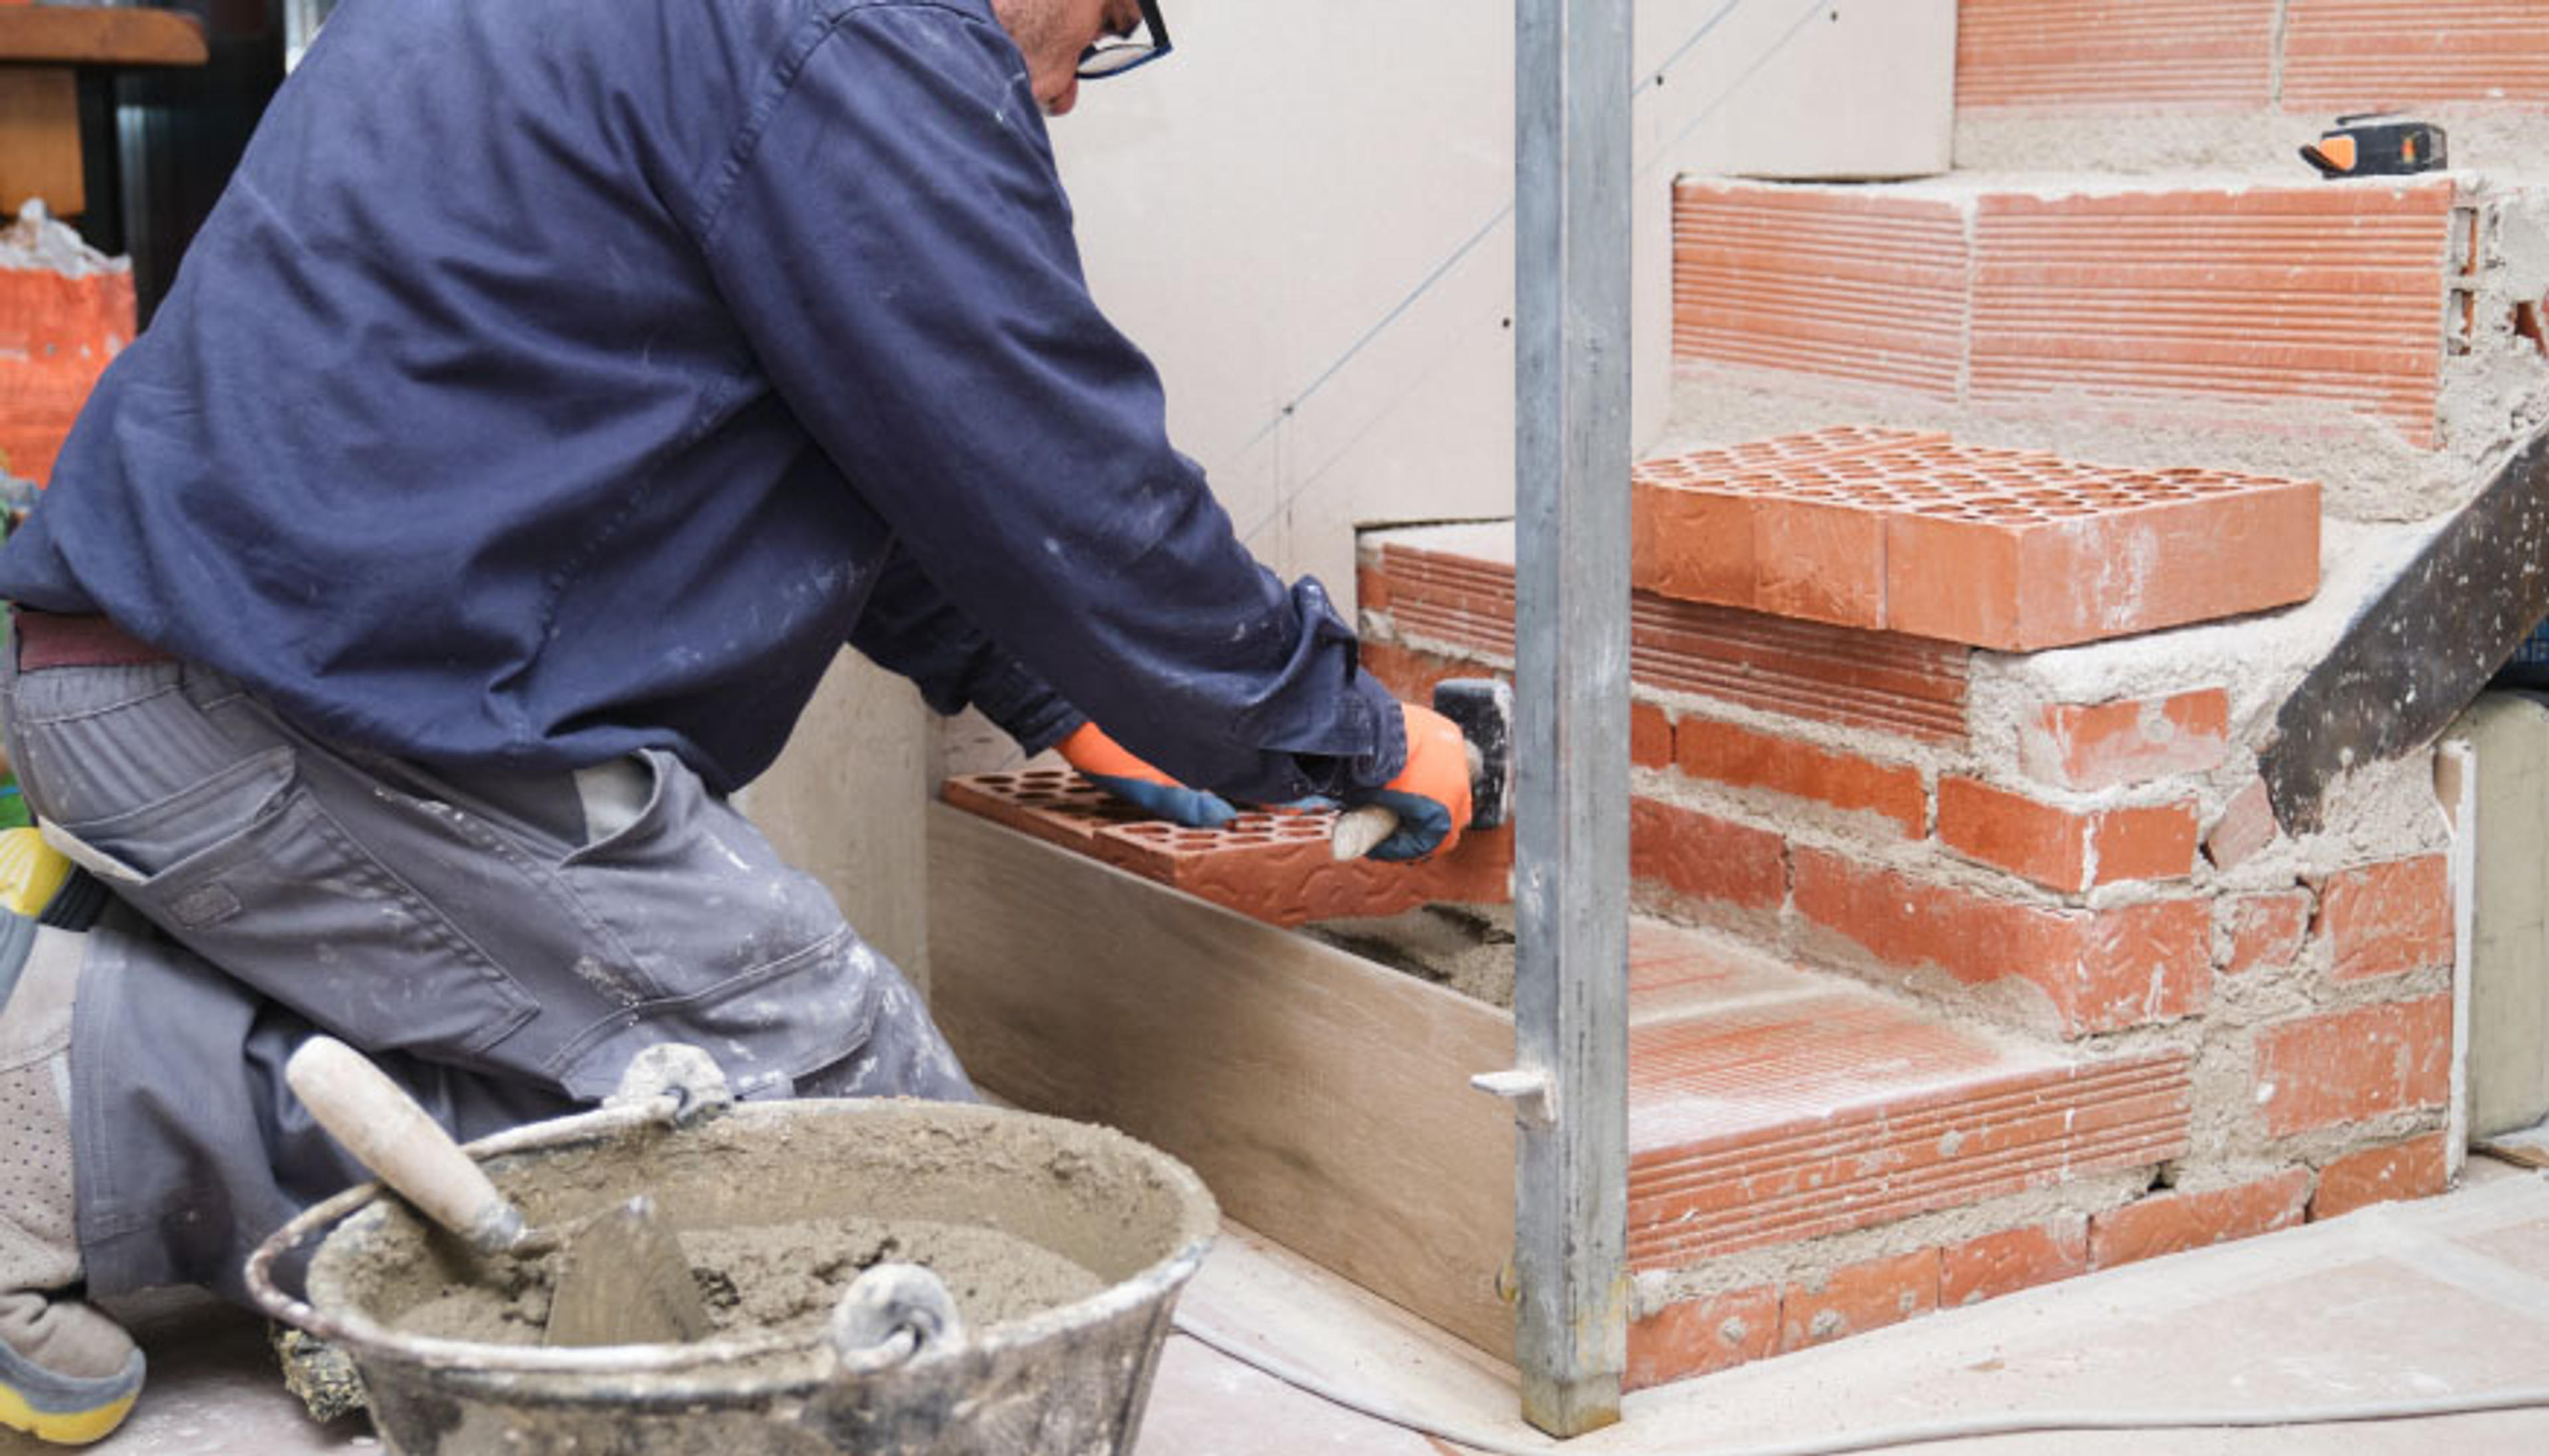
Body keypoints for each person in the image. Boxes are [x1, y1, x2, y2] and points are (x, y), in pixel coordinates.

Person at [0, 0, 1477, 1441]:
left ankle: (88, 1082)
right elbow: (1062, 473)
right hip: (302, 719)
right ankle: (70, 1093)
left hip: (202, 681)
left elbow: (851, 429)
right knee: (863, 1156)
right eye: (1099, 28)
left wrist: (1058, 700)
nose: (1078, 89)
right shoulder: (857, 29)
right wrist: (1355, 728)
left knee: (636, 1130)